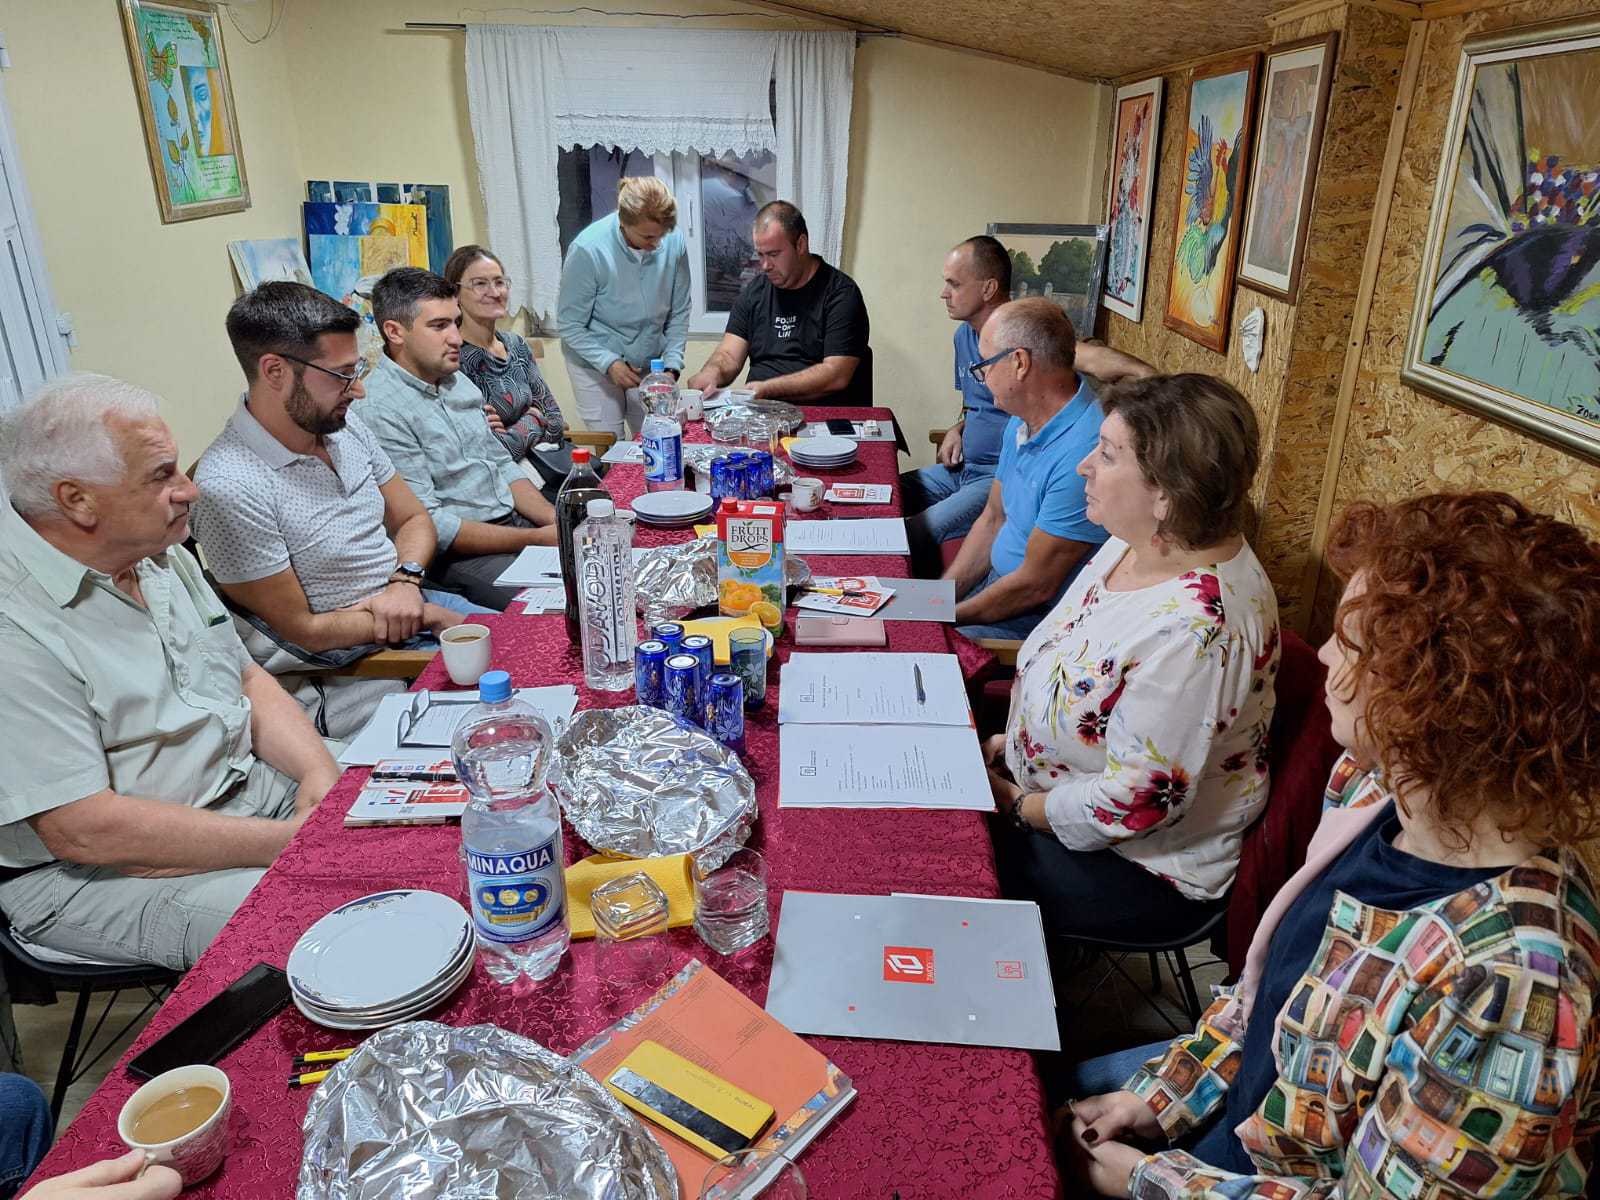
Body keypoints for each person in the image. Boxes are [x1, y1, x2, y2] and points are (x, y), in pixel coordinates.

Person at [1063, 491, 1600, 1200]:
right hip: (1248, 1124)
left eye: (1348, 643)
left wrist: (1151, 1181)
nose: (1321, 655)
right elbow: (1268, 1001)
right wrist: (1166, 1094)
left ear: (1435, 698)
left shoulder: (1516, 982)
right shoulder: (1373, 791)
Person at [0, 375, 341, 970]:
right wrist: (293, 844)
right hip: (93, 873)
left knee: (419, 811)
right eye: (162, 476)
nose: (190, 489)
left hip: (247, 791)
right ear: (77, 500)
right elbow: (86, 830)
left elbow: (245, 679)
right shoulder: (15, 626)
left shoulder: (153, 552)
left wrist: (319, 774)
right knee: (334, 927)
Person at [986, 373, 1278, 945]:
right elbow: (1078, 671)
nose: (1083, 466)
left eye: (1106, 454)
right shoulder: (1137, 541)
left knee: (923, 858)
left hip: (1138, 867)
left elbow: (1136, 803)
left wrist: (1018, 807)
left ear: (1166, 492)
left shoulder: (1198, 630)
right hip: (1049, 793)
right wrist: (1008, 745)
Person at [192, 283, 489, 736]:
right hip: (358, 664)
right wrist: (422, 613)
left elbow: (413, 518)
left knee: (554, 644)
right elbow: (303, 631)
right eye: (342, 375)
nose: (360, 390)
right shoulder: (230, 485)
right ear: (274, 371)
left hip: (412, 601)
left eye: (358, 370)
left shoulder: (341, 428)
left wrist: (405, 582)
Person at [904, 236, 1157, 573]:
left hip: (997, 473)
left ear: (988, 288)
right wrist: (957, 428)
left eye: (954, 283)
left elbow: (1100, 362)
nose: (943, 293)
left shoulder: (1026, 338)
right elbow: (976, 403)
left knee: (913, 531)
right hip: (963, 465)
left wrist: (1151, 383)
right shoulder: (963, 336)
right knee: (890, 491)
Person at [354, 267, 557, 611]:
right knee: (555, 606)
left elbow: (501, 464)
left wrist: (553, 521)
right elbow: (431, 523)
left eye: (455, 323)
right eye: (439, 326)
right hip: (459, 554)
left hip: (513, 524)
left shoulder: (455, 380)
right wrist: (535, 538)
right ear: (394, 332)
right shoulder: (379, 408)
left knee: (603, 563)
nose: (456, 339)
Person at [942, 298, 1106, 641]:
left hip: (1035, 619)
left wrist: (942, 617)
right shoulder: (1021, 419)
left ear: (1019, 363)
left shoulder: (1084, 454)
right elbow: (993, 518)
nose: (982, 379)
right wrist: (938, 601)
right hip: (997, 589)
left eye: (985, 366)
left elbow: (1034, 587)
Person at [685, 201, 872, 405]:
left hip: (820, 414)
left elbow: (836, 374)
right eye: (760, 255)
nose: (765, 265)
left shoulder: (840, 294)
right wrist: (711, 373)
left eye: (774, 254)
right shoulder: (754, 293)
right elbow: (729, 355)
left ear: (801, 245)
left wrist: (768, 389)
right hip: (760, 413)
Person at [557, 177, 691, 439]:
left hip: (650, 361)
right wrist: (608, 363)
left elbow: (680, 311)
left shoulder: (673, 241)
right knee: (612, 445)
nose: (658, 244)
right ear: (623, 222)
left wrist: (672, 364)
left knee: (659, 436)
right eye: (648, 237)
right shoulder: (588, 250)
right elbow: (570, 324)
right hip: (594, 363)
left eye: (663, 234)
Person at [447, 244, 568, 479]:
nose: (494, 292)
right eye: (480, 284)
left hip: (544, 467)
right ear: (455, 293)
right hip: (495, 482)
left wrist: (516, 430)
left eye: (499, 282)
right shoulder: (454, 359)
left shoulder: (516, 345)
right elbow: (493, 450)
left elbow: (555, 422)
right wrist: (535, 417)